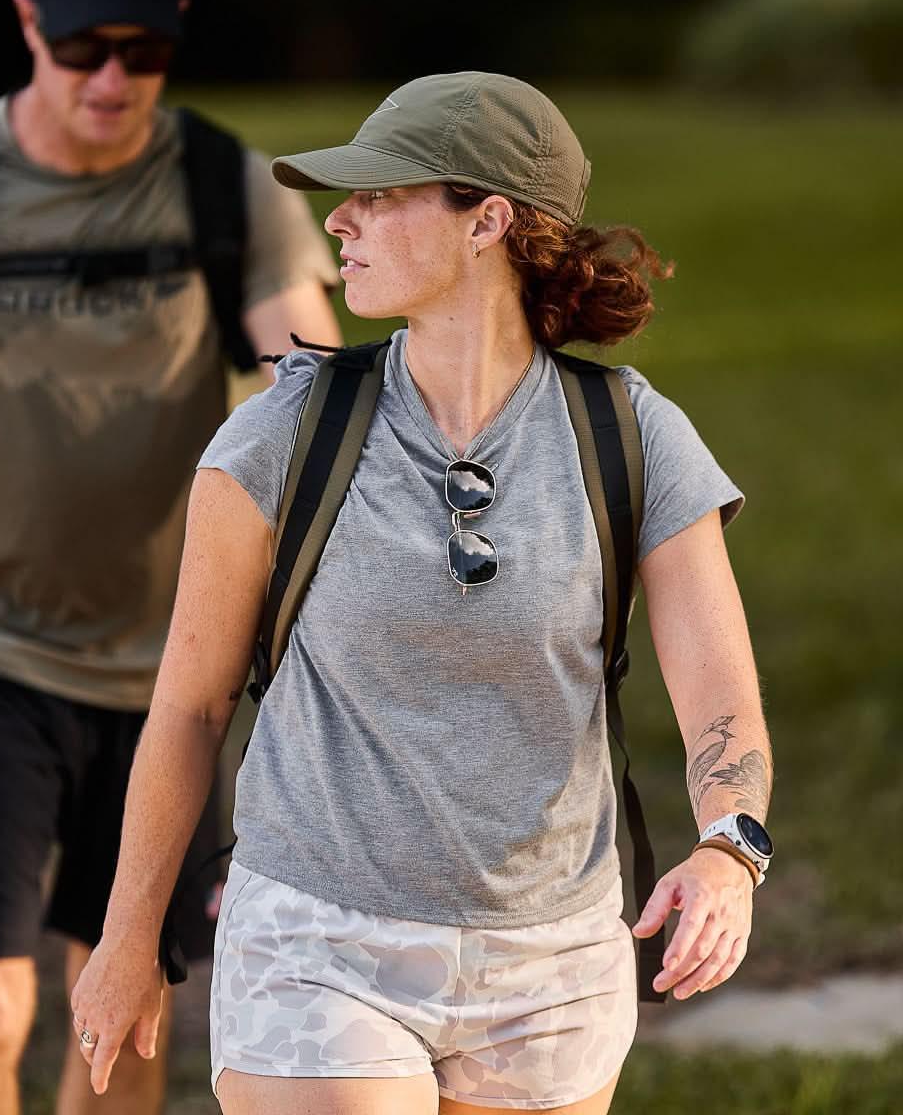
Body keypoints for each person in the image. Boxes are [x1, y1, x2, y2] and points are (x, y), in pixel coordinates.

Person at [71, 71, 774, 1115]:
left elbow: (717, 687)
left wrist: (730, 847)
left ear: (487, 220)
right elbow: (189, 705)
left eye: (381, 194)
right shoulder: (284, 435)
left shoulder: (629, 436)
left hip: (551, 958)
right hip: (318, 935)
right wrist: (129, 936)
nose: (340, 220)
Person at [0, 0, 340, 1111]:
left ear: (175, 34)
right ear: (29, 25)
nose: (113, 79)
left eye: (142, 51)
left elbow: (315, 389)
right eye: (84, 49)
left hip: (169, 675)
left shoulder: (220, 184)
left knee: (123, 1019)